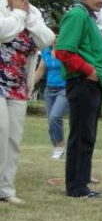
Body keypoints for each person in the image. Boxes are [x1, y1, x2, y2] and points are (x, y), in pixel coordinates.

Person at [0, 0, 55, 204]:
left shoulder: (34, 12)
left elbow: (46, 39)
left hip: (19, 84)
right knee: (0, 133)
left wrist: (27, 15)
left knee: (13, 139)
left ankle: (6, 190)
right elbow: (4, 31)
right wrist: (19, 15)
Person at [55, 0, 102, 199]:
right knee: (80, 136)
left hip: (90, 85)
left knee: (87, 136)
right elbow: (64, 50)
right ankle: (76, 187)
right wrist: (90, 71)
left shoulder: (87, 17)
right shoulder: (77, 15)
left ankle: (82, 184)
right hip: (82, 84)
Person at [33, 26, 68, 160]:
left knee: (55, 117)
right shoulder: (46, 52)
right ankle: (57, 147)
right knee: (50, 121)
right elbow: (40, 71)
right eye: (54, 36)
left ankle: (59, 147)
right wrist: (28, 86)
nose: (55, 39)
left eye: (58, 37)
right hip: (49, 91)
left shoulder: (66, 52)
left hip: (64, 90)